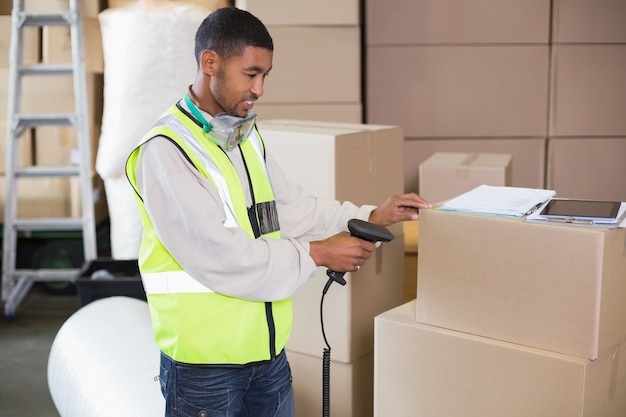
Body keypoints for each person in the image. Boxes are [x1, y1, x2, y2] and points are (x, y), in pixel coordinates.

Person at [125, 7, 430, 417]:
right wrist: (318, 254)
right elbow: (220, 255)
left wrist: (371, 215)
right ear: (209, 62)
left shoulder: (242, 137)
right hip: (205, 371)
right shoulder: (167, 151)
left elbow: (289, 210)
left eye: (265, 75)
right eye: (251, 74)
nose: (260, 88)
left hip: (266, 357)